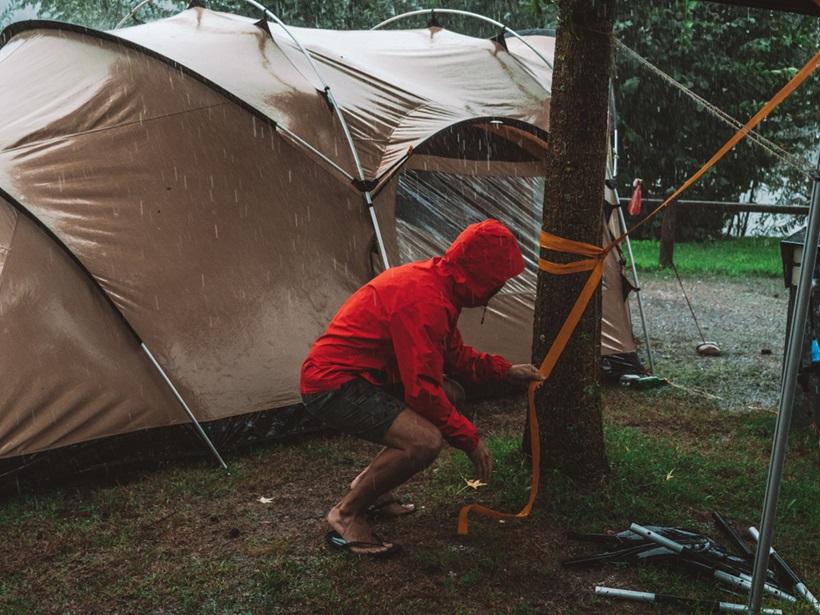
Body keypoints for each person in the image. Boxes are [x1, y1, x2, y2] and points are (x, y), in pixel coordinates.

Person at [300, 219, 544, 557]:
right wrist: (470, 439)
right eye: (497, 280)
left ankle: (372, 487)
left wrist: (505, 371)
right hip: (333, 384)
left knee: (453, 394)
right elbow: (423, 391)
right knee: (425, 440)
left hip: (368, 376)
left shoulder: (441, 285)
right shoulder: (425, 299)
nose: (498, 289)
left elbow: (452, 355)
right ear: (480, 273)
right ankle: (346, 513)